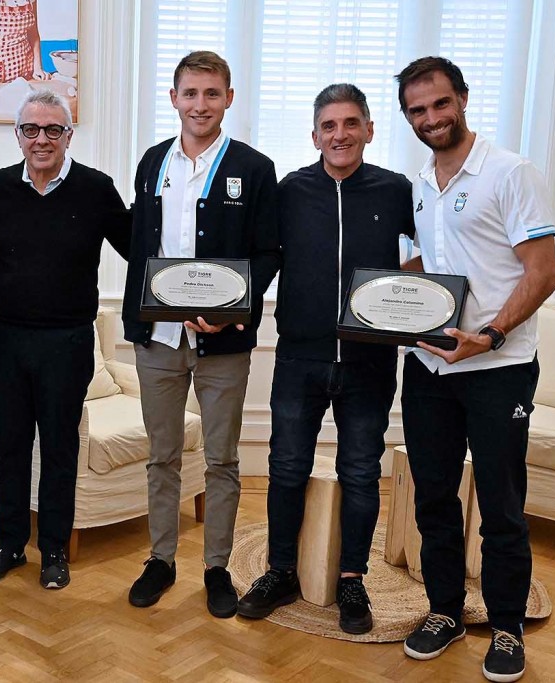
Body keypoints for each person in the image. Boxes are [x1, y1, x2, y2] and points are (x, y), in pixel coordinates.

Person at [395, 56, 555, 682]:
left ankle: (508, 625)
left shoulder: (511, 172)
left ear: (462, 99)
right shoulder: (419, 184)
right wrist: (381, 313)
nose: (431, 118)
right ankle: (444, 611)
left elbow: (543, 273)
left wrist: (488, 336)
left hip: (498, 365)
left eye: (440, 104)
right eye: (418, 110)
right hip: (431, 368)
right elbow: (417, 272)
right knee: (433, 498)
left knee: (501, 503)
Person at [235, 84, 415, 634]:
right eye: (329, 126)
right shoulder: (290, 190)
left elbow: (418, 265)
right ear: (315, 134)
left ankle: (351, 580)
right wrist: (227, 305)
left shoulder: (396, 190)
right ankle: (281, 571)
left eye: (350, 123)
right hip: (299, 357)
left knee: (360, 473)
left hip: (369, 361)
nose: (340, 134)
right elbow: (263, 258)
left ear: (368, 128)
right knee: (286, 469)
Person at [122, 51, 280, 619]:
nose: (200, 104)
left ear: (229, 99)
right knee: (161, 456)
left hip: (223, 341)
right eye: (190, 93)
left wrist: (234, 308)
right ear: (174, 99)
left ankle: (217, 567)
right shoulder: (150, 164)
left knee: (221, 460)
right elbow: (141, 244)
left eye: (212, 94)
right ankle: (161, 559)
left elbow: (268, 253)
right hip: (158, 338)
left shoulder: (254, 168)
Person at [0, 89, 130, 590]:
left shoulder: (96, 188)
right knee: (11, 447)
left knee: (60, 448)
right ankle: (10, 544)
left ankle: (54, 550)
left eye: (53, 129)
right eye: (31, 129)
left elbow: (139, 248)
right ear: (17, 135)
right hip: (6, 340)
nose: (42, 139)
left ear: (69, 135)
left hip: (67, 342)